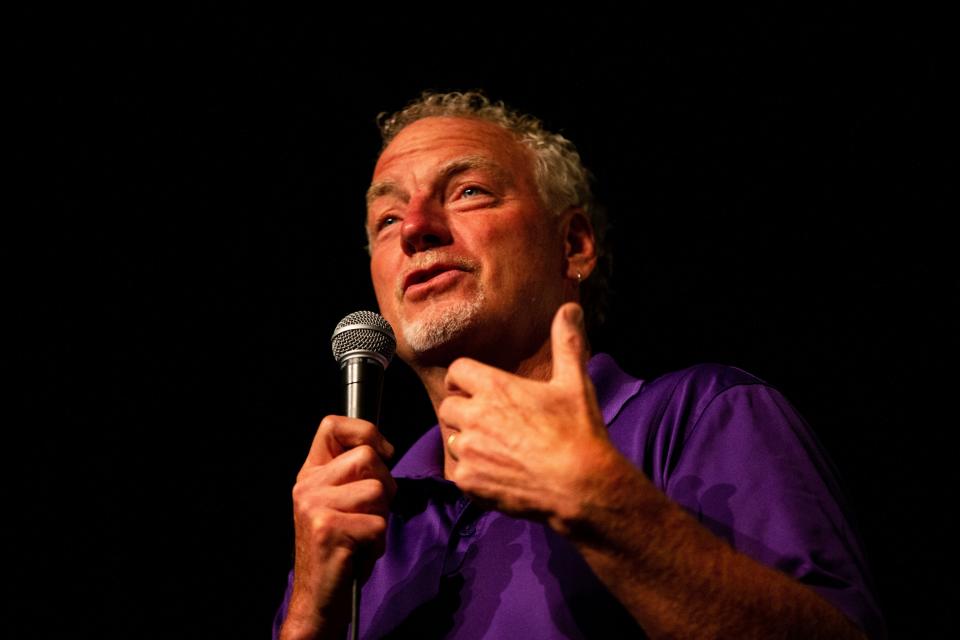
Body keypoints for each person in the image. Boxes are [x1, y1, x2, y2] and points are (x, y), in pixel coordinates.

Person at [273, 91, 884, 639]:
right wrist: (307, 615)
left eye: (468, 192)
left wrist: (602, 504)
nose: (414, 228)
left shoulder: (702, 415)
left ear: (573, 245)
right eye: (386, 218)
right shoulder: (360, 516)